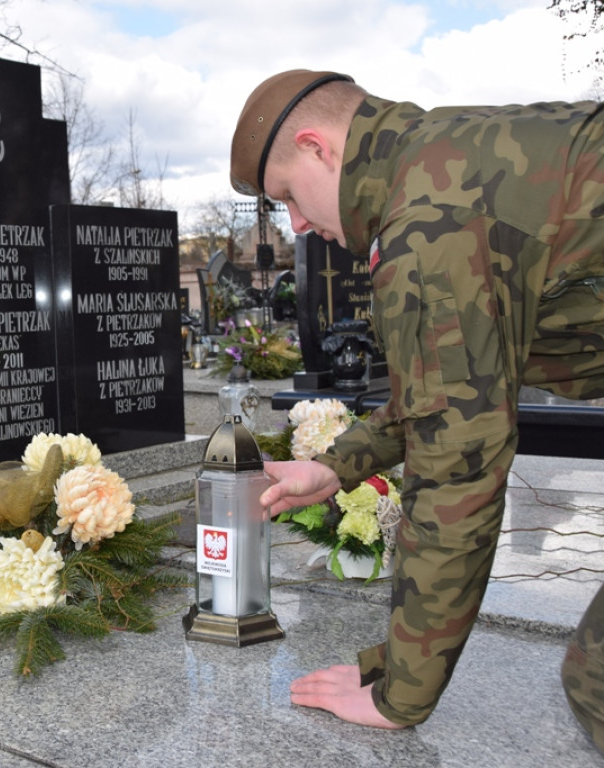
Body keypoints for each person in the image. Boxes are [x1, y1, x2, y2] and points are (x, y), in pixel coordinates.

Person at [229, 69, 604, 748]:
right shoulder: (437, 160)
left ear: (319, 148)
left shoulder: (428, 225)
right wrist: (336, 468)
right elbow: (446, 393)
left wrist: (401, 691)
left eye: (288, 195)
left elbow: (458, 465)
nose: (300, 223)